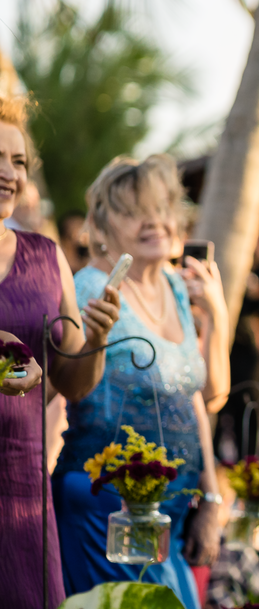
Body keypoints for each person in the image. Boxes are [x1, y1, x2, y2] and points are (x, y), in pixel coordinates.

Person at [52, 155, 229, 609]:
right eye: (133, 211)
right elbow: (66, 386)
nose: (154, 221)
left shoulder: (176, 287)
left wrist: (210, 496)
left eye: (162, 207)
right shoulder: (92, 288)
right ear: (103, 226)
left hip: (166, 515)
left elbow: (207, 395)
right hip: (103, 513)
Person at [0, 94, 121, 609]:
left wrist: (95, 339)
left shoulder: (46, 257)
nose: (10, 173)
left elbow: (73, 382)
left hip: (22, 489)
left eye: (19, 161)